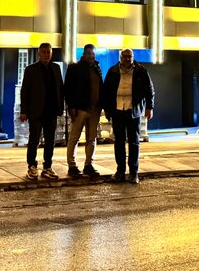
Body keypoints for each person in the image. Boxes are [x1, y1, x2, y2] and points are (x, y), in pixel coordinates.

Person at [101, 48, 154, 184]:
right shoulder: (113, 71)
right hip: (117, 110)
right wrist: (107, 109)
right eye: (125, 56)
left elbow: (149, 90)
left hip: (133, 111)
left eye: (130, 56)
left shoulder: (141, 71)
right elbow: (106, 91)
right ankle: (120, 171)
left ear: (133, 57)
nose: (127, 58)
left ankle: (133, 172)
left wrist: (149, 107)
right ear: (120, 57)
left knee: (134, 142)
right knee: (119, 142)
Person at [19, 42, 65, 180]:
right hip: (36, 111)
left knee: (50, 140)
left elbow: (60, 88)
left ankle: (47, 166)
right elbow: (25, 91)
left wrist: (60, 108)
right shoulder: (31, 69)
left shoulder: (56, 68)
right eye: (43, 52)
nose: (46, 55)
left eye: (48, 52)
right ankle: (32, 166)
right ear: (39, 53)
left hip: (51, 110)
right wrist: (24, 111)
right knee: (34, 140)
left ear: (51, 53)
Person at [63, 43, 104, 177]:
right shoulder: (74, 68)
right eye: (89, 53)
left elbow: (101, 88)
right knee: (74, 138)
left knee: (91, 138)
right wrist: (71, 106)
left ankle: (88, 165)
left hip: (95, 109)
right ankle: (72, 166)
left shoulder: (97, 68)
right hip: (80, 109)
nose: (91, 56)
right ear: (84, 54)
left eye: (93, 54)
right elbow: (68, 89)